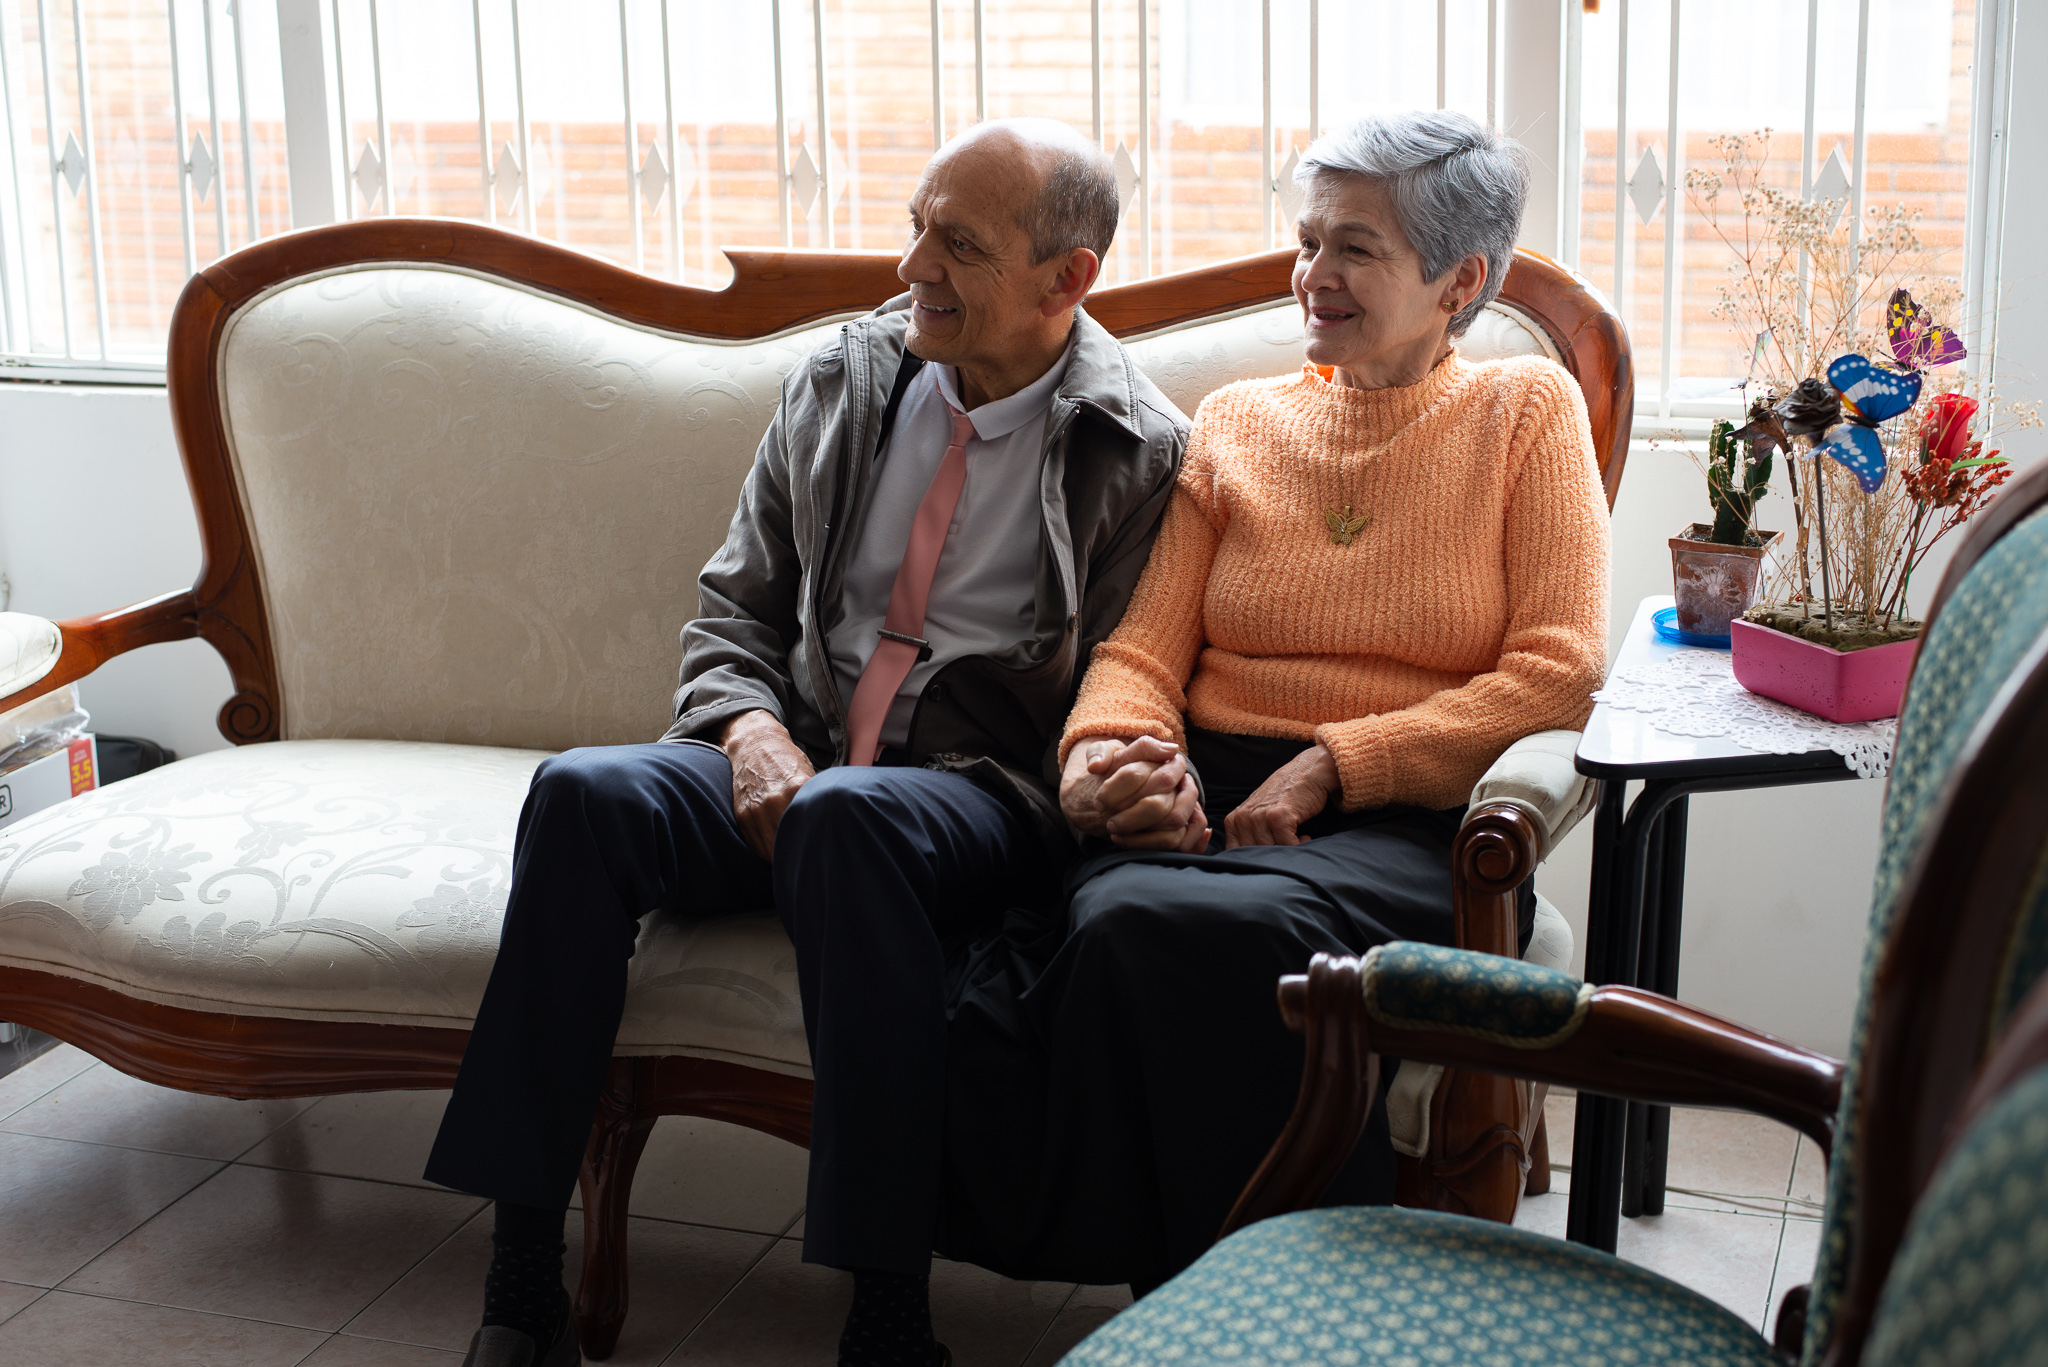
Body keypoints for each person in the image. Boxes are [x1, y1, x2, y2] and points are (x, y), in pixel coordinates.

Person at [424, 117, 1189, 1367]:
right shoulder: (841, 381)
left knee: (846, 814)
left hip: (971, 796)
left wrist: (1112, 779)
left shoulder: (1136, 449)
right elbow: (731, 612)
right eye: (914, 227)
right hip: (800, 755)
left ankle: (887, 1318)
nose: (911, 268)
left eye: (958, 244)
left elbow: (1120, 682)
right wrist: (751, 731)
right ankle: (518, 1296)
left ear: (1068, 277)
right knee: (579, 795)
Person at [935, 109, 1611, 1294]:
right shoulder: (1238, 423)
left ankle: (1268, 1299)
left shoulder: (1524, 412)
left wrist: (1333, 763)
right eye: (1308, 242)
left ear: (1458, 282)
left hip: (1402, 823)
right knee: (1105, 915)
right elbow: (1141, 653)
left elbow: (1557, 673)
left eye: (1355, 248)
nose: (1313, 274)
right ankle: (1221, 1304)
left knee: (1148, 926)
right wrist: (1108, 764)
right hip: (1210, 797)